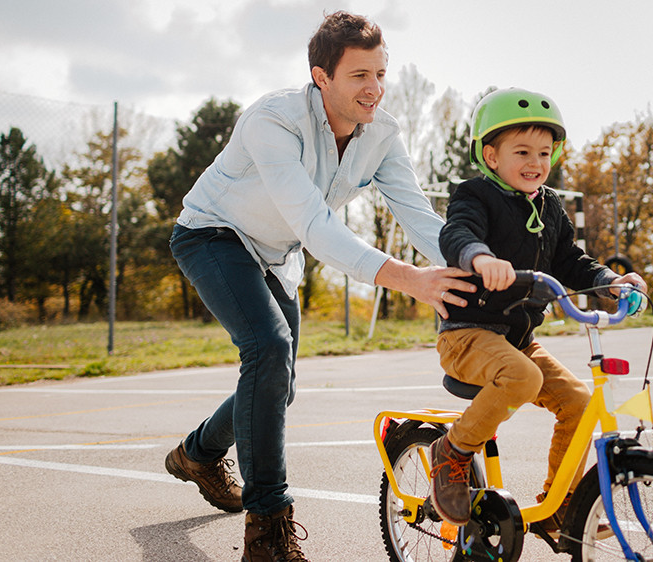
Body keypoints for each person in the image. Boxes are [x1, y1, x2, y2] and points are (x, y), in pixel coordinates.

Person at [163, 12, 474, 561]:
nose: (374, 88)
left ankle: (197, 454)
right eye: (359, 75)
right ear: (320, 77)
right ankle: (268, 529)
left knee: (277, 381)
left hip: (275, 254)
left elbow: (420, 216)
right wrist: (407, 279)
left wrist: (474, 259)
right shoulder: (273, 120)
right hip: (212, 234)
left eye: (380, 72)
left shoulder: (381, 133)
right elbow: (314, 224)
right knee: (269, 348)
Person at [432, 88, 647, 535]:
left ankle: (560, 506)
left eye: (545, 152)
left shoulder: (551, 207)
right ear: (491, 156)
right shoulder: (474, 195)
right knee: (523, 378)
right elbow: (457, 233)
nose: (536, 161)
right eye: (522, 151)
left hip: (518, 339)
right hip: (467, 333)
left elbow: (570, 260)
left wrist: (610, 281)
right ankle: (452, 451)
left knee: (580, 403)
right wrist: (478, 257)